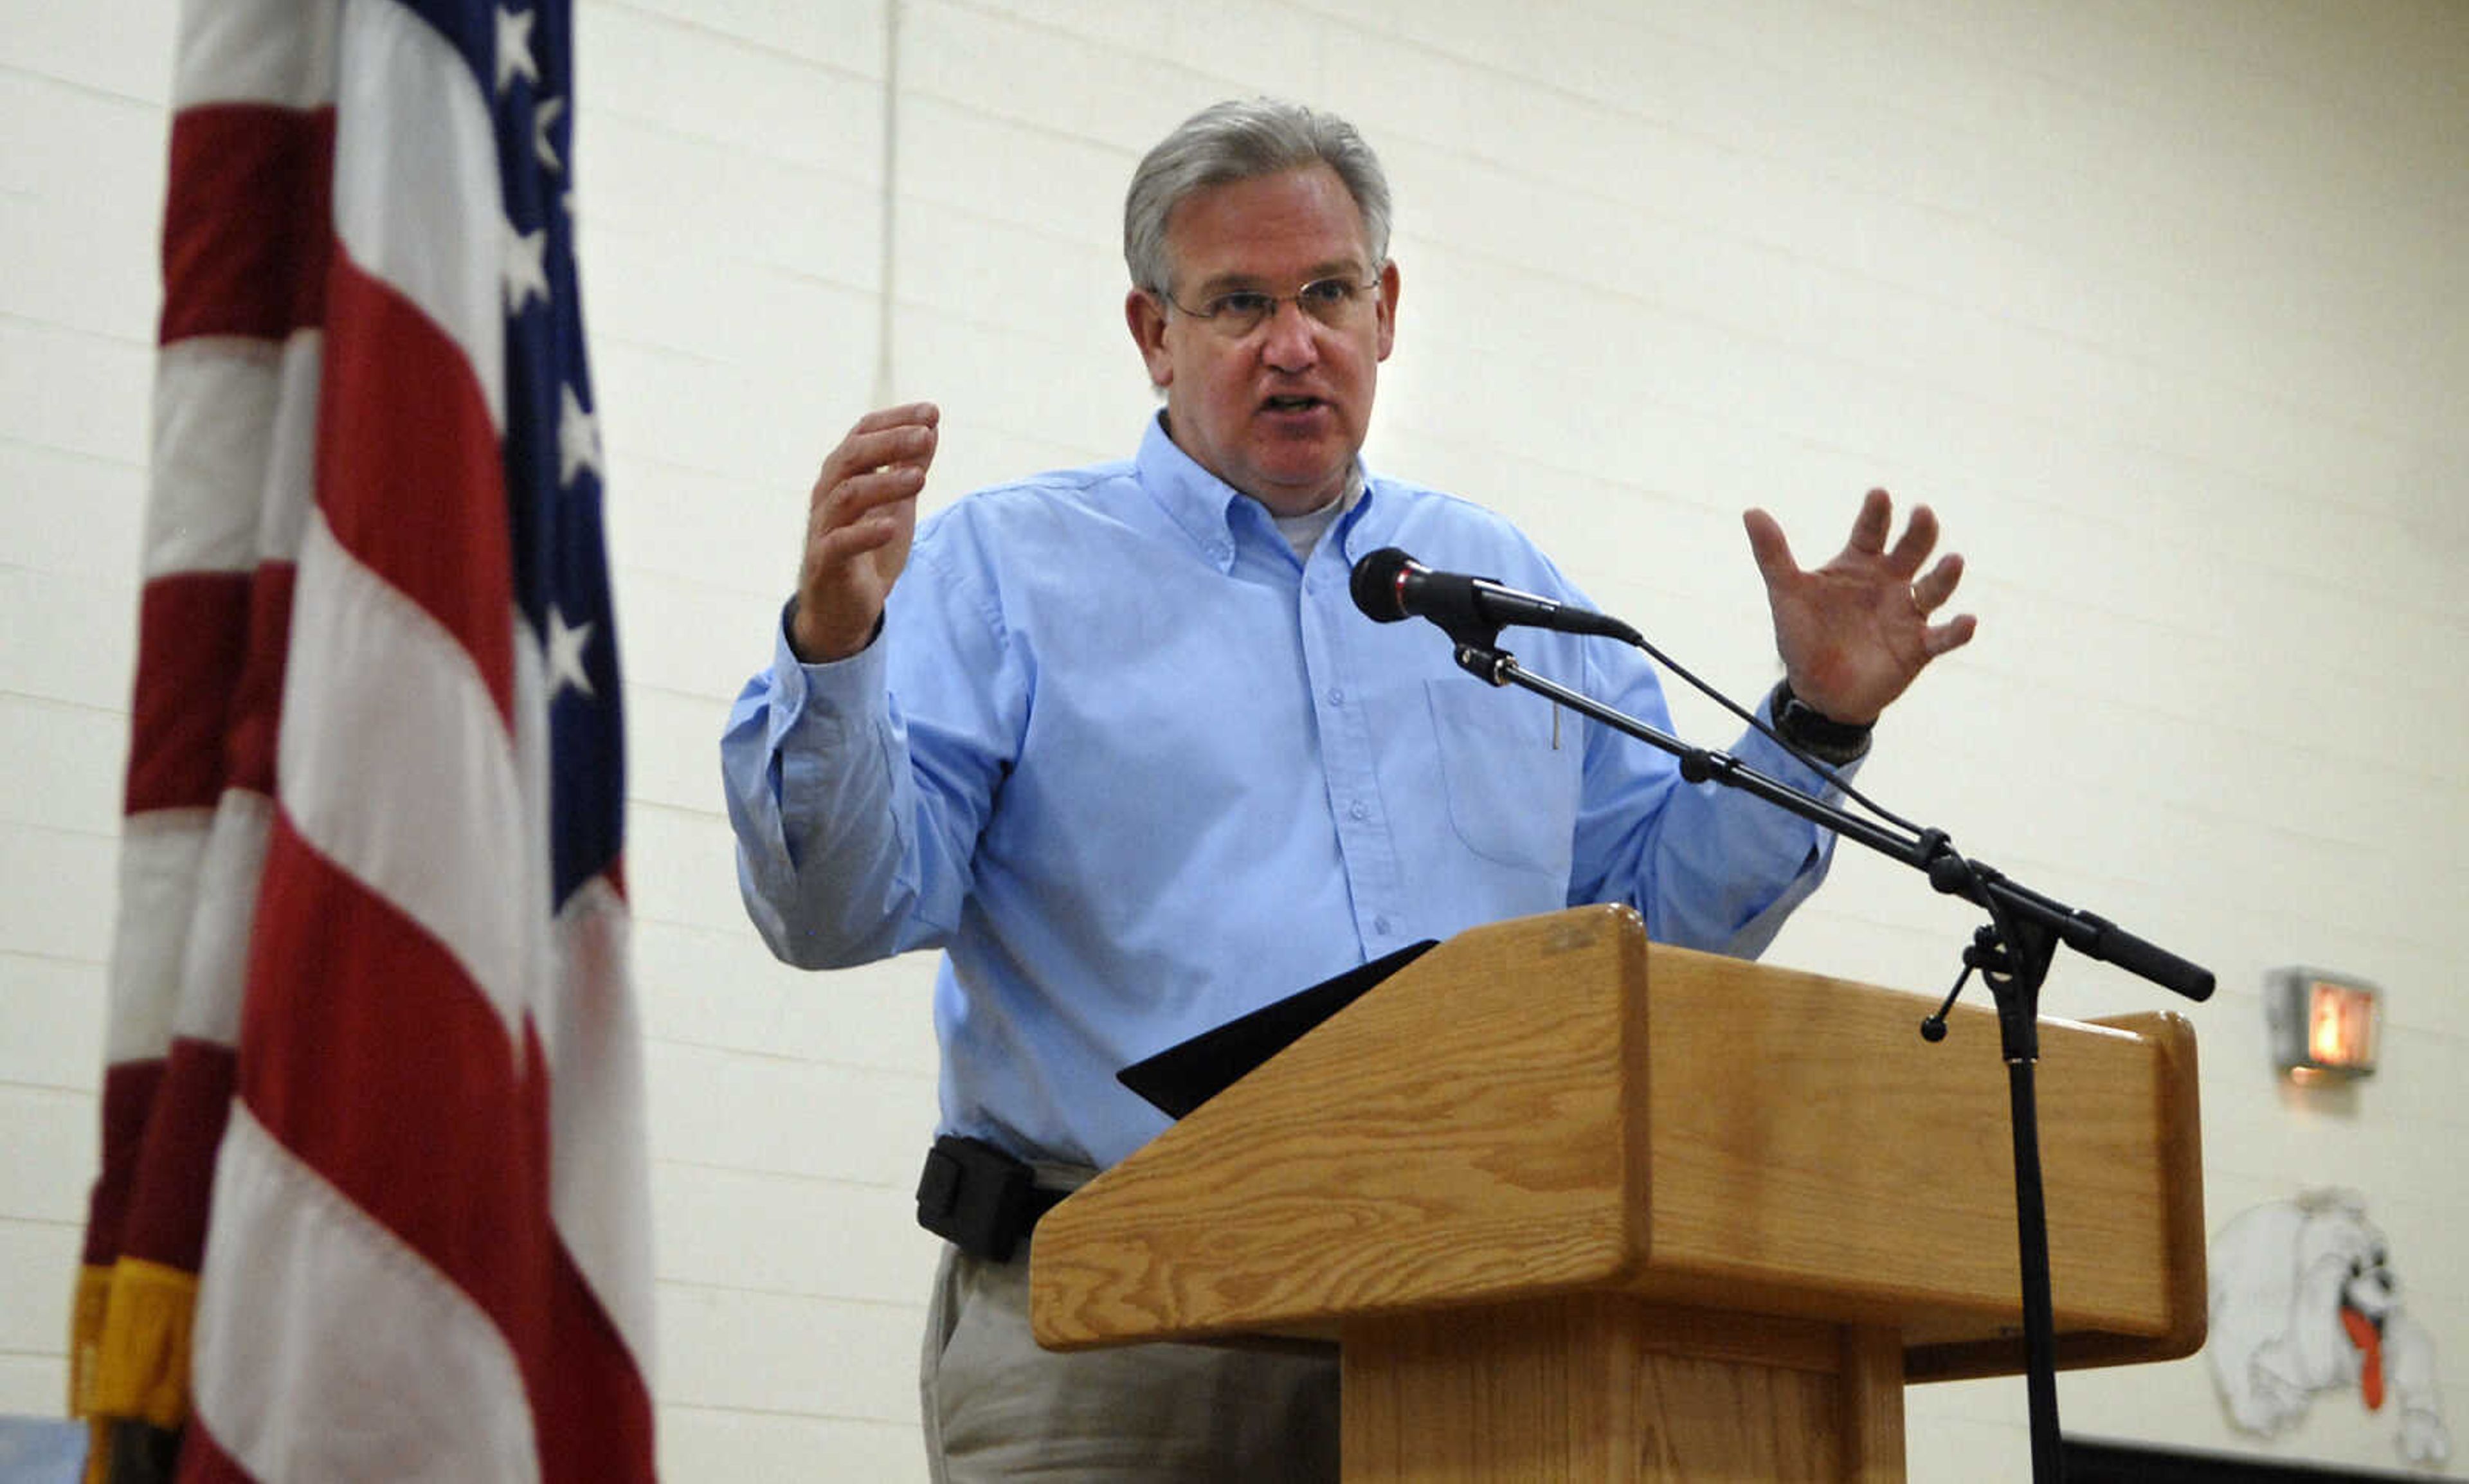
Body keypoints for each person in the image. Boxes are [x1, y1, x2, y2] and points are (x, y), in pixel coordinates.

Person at [719, 98, 1976, 1483]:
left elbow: (1649, 932)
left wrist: (1815, 721)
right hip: (1122, 1324)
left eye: (1326, 292)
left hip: (1471, 1321)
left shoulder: (1500, 588)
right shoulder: (1008, 571)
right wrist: (834, 648)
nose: (1292, 340)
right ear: (1154, 334)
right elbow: (834, 911)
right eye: (1238, 302)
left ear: (1386, 310)